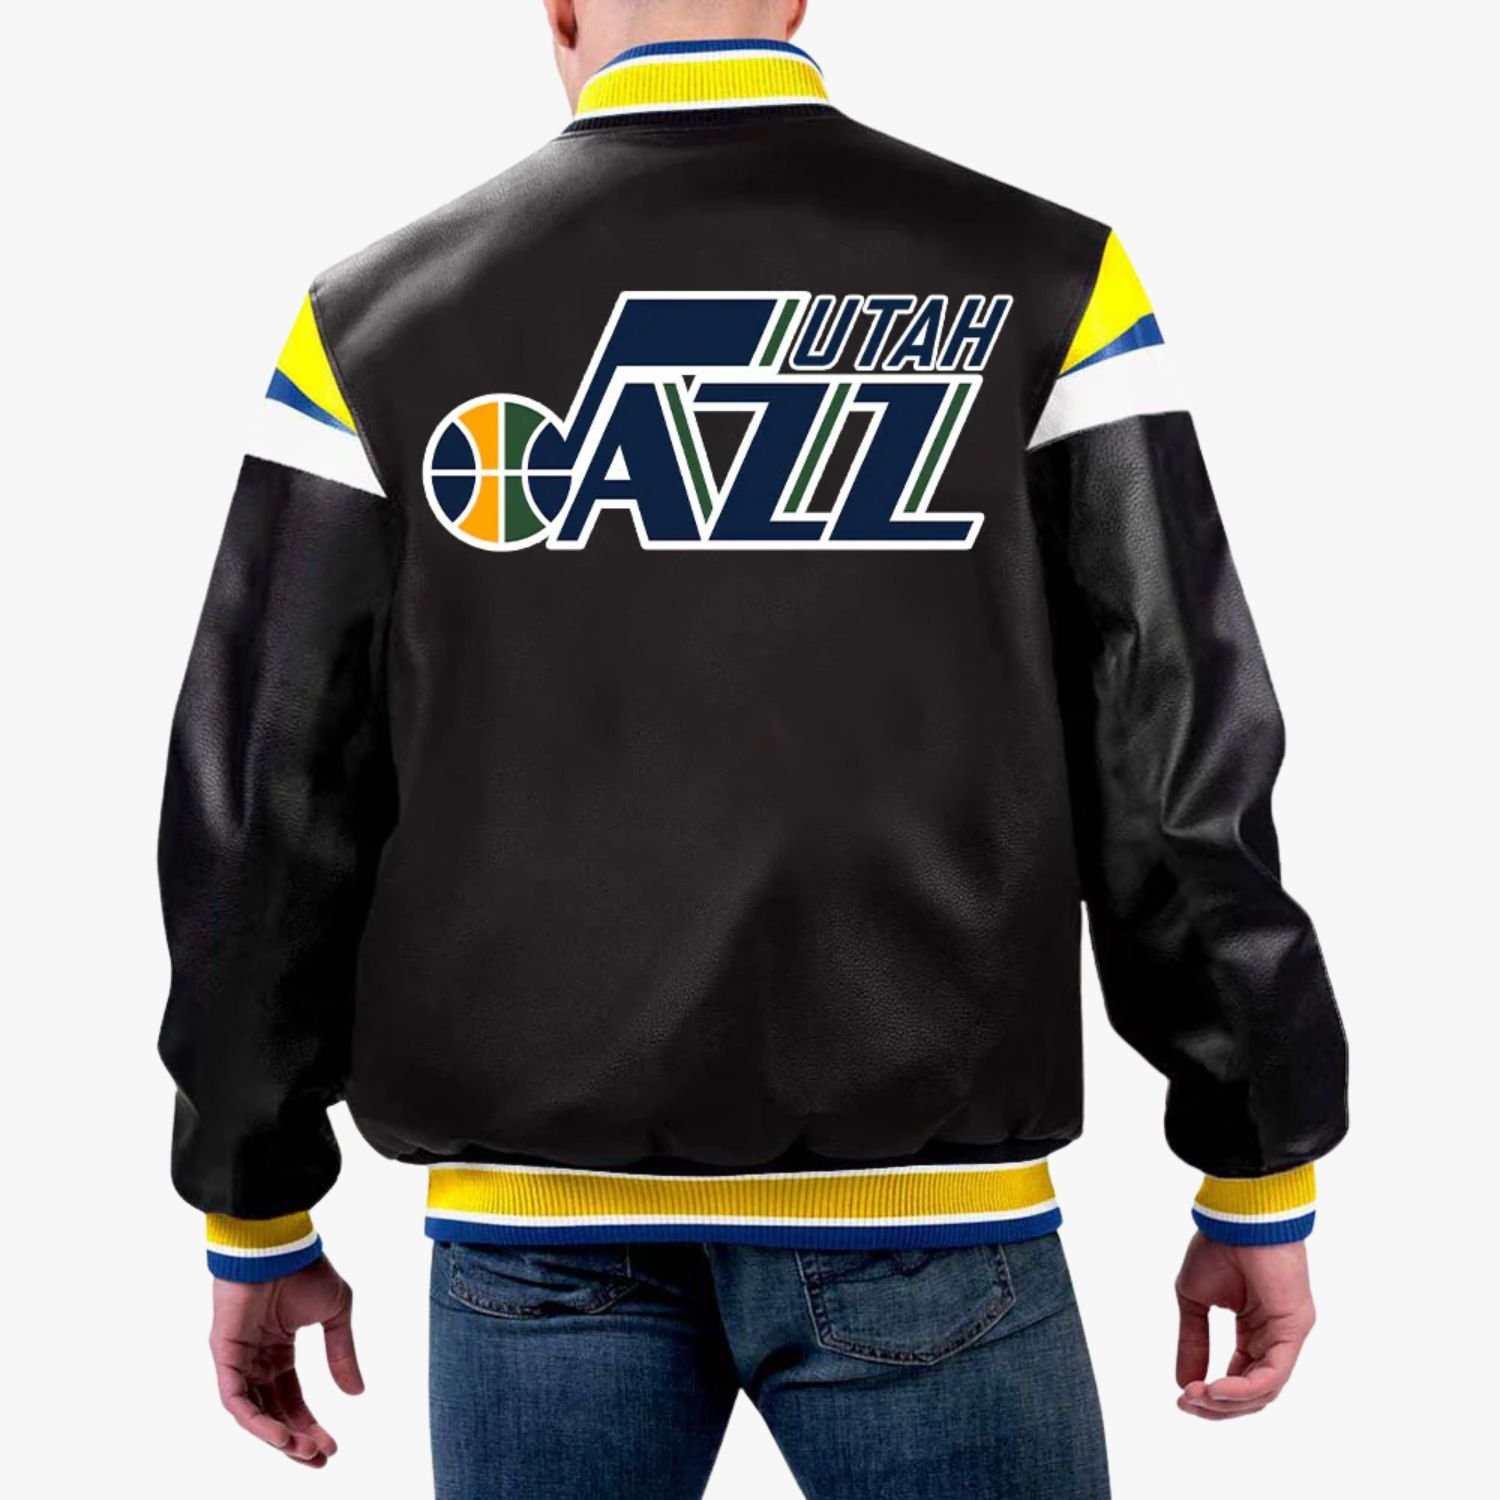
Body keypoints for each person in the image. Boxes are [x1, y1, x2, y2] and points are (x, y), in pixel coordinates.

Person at [156, 1, 1349, 1495]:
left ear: (562, 7)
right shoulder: (1051, 279)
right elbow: (1172, 753)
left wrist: (255, 1201)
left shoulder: (368, 324)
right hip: (929, 1221)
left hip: (535, 1244)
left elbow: (265, 798)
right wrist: (1255, 1156)